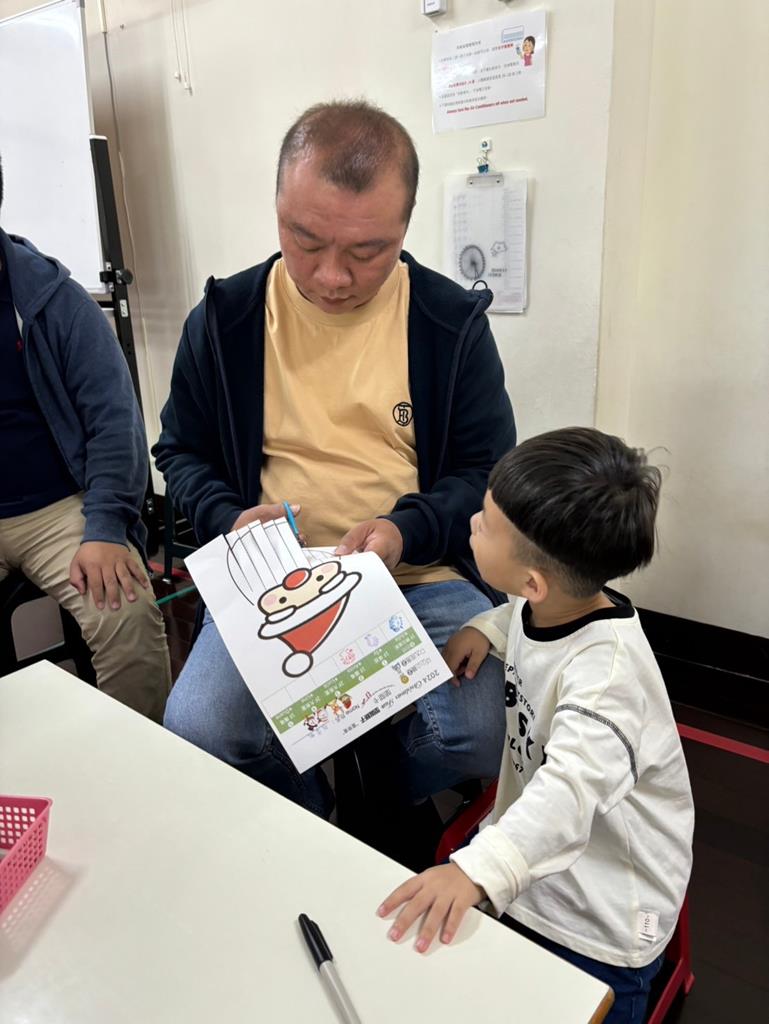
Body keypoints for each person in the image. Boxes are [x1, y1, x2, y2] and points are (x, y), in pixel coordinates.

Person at [153, 100, 516, 834]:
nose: (332, 277)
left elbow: (487, 471)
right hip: (270, 583)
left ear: (405, 227)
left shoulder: (447, 324)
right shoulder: (226, 319)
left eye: (367, 252)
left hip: (420, 574)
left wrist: (406, 530)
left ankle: (376, 790)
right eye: (305, 239)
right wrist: (229, 517)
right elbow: (178, 451)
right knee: (198, 731)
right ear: (278, 208)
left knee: (483, 734)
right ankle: (320, 820)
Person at [378, 427, 694, 1024]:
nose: (472, 522)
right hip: (534, 852)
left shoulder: (607, 683)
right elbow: (522, 618)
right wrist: (487, 629)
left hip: (604, 910)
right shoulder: (547, 602)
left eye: (486, 523)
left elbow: (566, 797)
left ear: (533, 580)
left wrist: (475, 872)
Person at [0, 157, 171, 721]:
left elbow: (115, 422)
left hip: (61, 509)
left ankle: (139, 755)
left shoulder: (53, 302)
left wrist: (106, 527)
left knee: (125, 612)